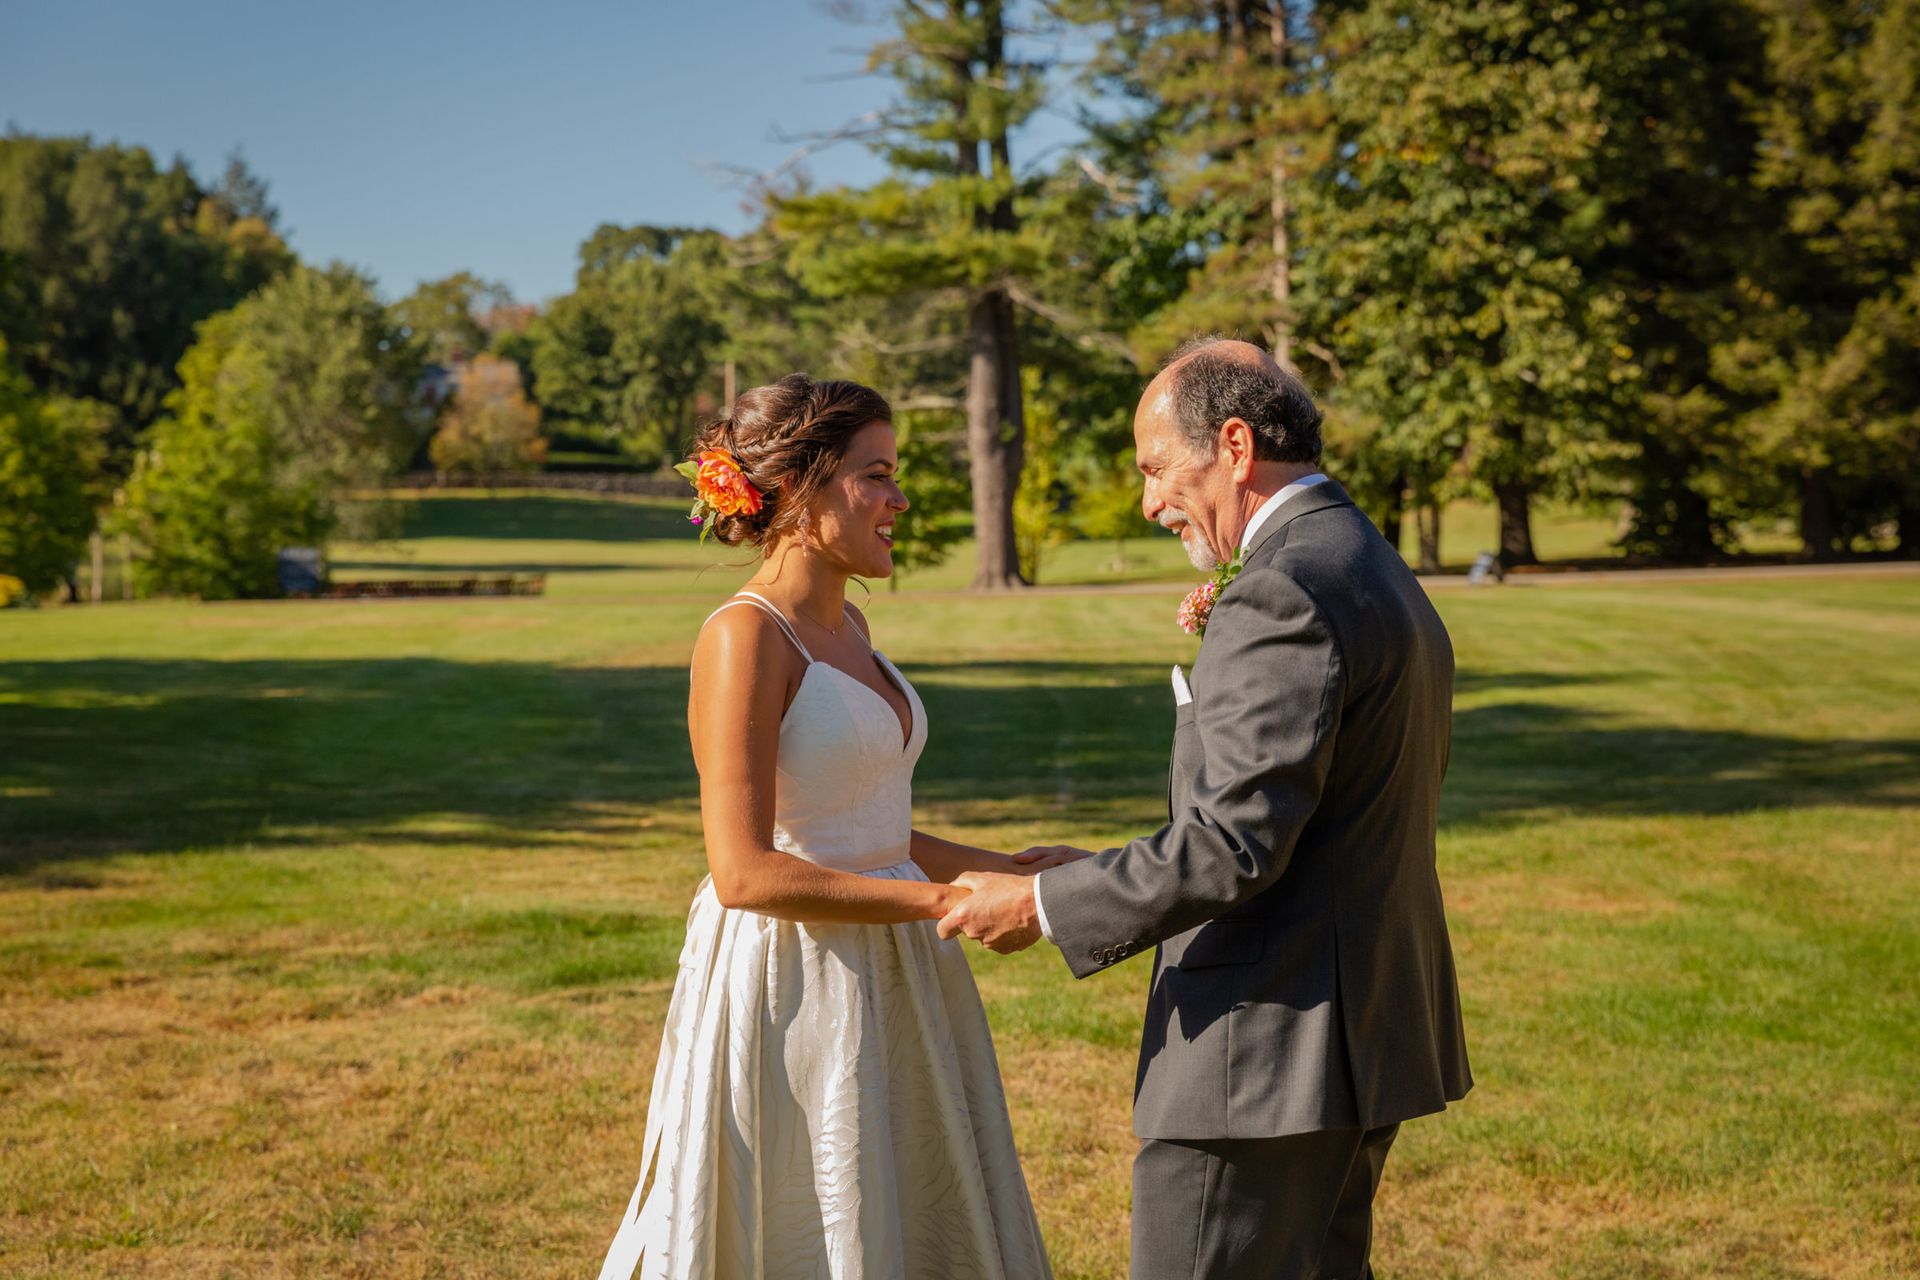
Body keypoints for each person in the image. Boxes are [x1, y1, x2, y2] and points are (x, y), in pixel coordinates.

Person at [939, 337, 1472, 1280]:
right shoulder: (1364, 559)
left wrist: (1042, 905)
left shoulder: (1281, 587)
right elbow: (1292, 813)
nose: (1149, 502)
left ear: (1232, 446)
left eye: (1155, 468)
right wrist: (1092, 868)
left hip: (1263, 1057)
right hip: (1351, 1038)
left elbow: (1235, 843)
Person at [598, 373, 1052, 1280]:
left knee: (904, 1210)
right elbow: (745, 874)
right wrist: (946, 904)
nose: (899, 497)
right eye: (875, 474)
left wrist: (1016, 870)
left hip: (895, 967)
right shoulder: (746, 637)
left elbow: (871, 827)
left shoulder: (849, 627)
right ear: (803, 485)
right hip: (795, 975)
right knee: (812, 1212)